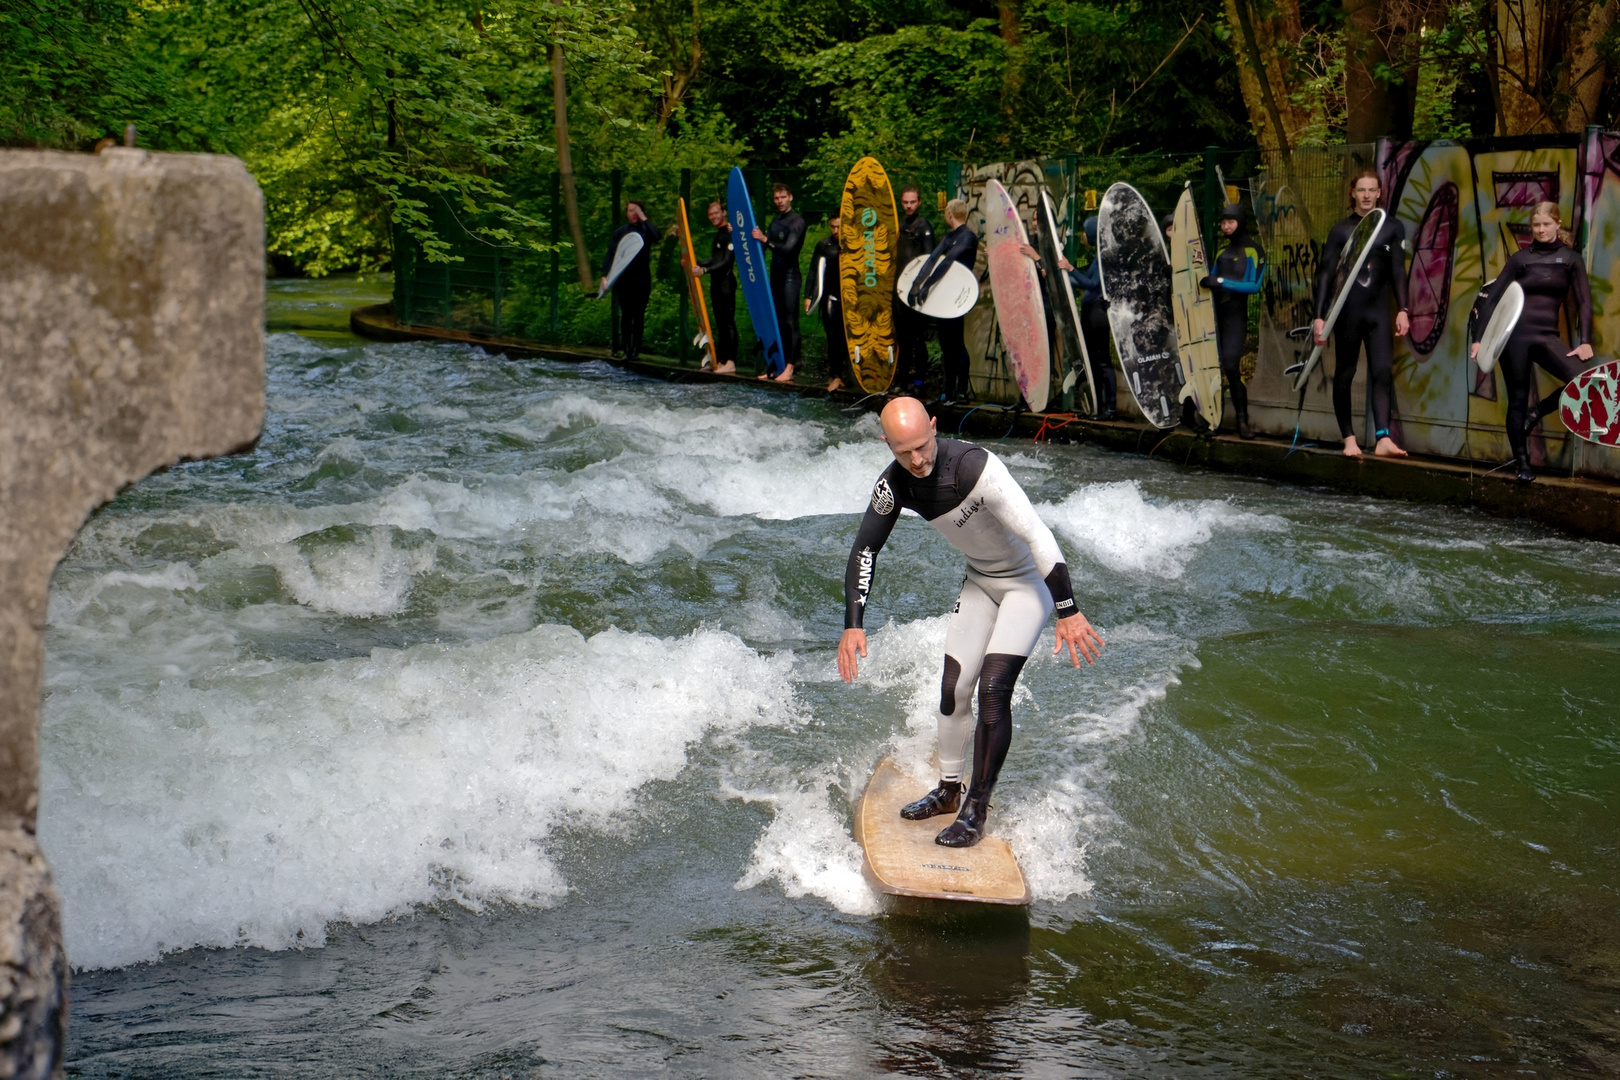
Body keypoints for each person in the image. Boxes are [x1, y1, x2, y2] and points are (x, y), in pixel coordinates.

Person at [838, 398, 1104, 847]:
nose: (918, 460)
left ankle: (976, 808)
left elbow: (1038, 533)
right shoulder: (893, 486)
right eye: (904, 452)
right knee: (952, 688)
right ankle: (947, 791)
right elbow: (866, 549)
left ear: (935, 427)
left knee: (993, 689)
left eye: (923, 446)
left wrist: (1068, 610)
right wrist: (853, 622)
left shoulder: (975, 467)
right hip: (981, 581)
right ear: (887, 445)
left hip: (1026, 585)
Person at [1470, 201, 1594, 482]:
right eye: (1536, 225)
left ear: (1557, 224)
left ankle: (1537, 411)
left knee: (1582, 379)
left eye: (1546, 224)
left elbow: (1584, 302)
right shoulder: (1520, 259)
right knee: (1516, 399)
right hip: (1514, 338)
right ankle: (1522, 464)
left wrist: (1585, 340)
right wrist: (1479, 340)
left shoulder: (1571, 259)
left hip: (1546, 336)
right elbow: (1492, 298)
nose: (1540, 229)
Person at [1312, 171, 1411, 458]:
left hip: (1378, 312)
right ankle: (1349, 439)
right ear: (1352, 193)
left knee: (1382, 372)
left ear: (1380, 192)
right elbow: (1326, 274)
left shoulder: (1392, 228)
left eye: (1372, 190)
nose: (1366, 195)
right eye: (1361, 190)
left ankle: (1383, 439)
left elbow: (1397, 272)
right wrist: (1320, 316)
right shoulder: (1340, 231)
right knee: (1345, 373)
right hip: (1347, 314)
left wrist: (1403, 310)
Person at [1201, 203, 1267, 439]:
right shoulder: (1221, 252)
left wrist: (1220, 283)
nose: (1226, 226)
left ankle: (1242, 421)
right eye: (1223, 222)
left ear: (1240, 222)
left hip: (1235, 316)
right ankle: (1212, 420)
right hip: (1214, 315)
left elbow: (1254, 286)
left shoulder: (1254, 251)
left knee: (1231, 366)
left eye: (1231, 222)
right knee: (1210, 368)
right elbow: (1209, 278)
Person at [911, 198, 978, 403]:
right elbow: (933, 258)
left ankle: (961, 391)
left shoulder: (968, 237)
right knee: (945, 343)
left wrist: (928, 284)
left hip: (958, 296)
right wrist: (917, 284)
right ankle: (947, 390)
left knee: (956, 343)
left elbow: (948, 262)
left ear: (949, 215)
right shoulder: (949, 237)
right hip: (944, 294)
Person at [753, 182, 806, 382]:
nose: (780, 201)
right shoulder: (775, 221)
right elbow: (761, 248)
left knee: (790, 322)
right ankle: (779, 365)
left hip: (790, 278)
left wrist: (765, 239)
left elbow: (788, 250)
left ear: (790, 197)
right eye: (776, 198)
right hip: (775, 277)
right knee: (778, 322)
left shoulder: (798, 222)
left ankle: (791, 368)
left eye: (783, 197)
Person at [1066, 216, 1117, 420]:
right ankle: (1099, 405)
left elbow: (1092, 284)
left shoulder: (1105, 256)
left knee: (1103, 361)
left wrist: (1070, 269)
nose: (1082, 237)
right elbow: (1083, 282)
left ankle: (1110, 409)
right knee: (1094, 362)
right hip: (1090, 313)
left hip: (1098, 314)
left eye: (1084, 233)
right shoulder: (1098, 255)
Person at [600, 201, 660, 362]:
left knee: (639, 315)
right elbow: (611, 254)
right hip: (624, 280)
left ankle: (636, 351)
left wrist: (644, 218)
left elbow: (657, 236)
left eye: (637, 210)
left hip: (642, 279)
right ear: (626, 213)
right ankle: (626, 350)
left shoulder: (646, 231)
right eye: (630, 210)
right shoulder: (621, 232)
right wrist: (605, 276)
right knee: (626, 315)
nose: (633, 213)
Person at [896, 186, 936, 393]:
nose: (909, 206)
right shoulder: (900, 225)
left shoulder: (924, 226)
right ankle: (902, 380)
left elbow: (929, 260)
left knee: (918, 338)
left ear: (919, 202)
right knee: (903, 338)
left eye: (912, 202)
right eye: (905, 202)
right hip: (899, 289)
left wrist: (919, 286)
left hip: (915, 290)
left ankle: (920, 380)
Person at [693, 200, 738, 374]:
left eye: (716, 213)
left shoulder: (729, 233)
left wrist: (704, 270)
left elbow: (726, 261)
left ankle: (731, 361)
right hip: (716, 284)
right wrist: (696, 262)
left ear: (723, 212)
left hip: (726, 284)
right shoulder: (719, 234)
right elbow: (715, 259)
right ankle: (720, 360)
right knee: (720, 323)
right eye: (710, 214)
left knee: (728, 323)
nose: (713, 217)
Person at [807, 213, 850, 392]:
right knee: (833, 338)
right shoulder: (824, 245)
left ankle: (847, 375)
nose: (835, 231)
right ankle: (835, 375)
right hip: (831, 299)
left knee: (847, 339)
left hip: (850, 302)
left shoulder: (854, 245)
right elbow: (813, 271)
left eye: (839, 227)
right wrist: (808, 295)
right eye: (832, 227)